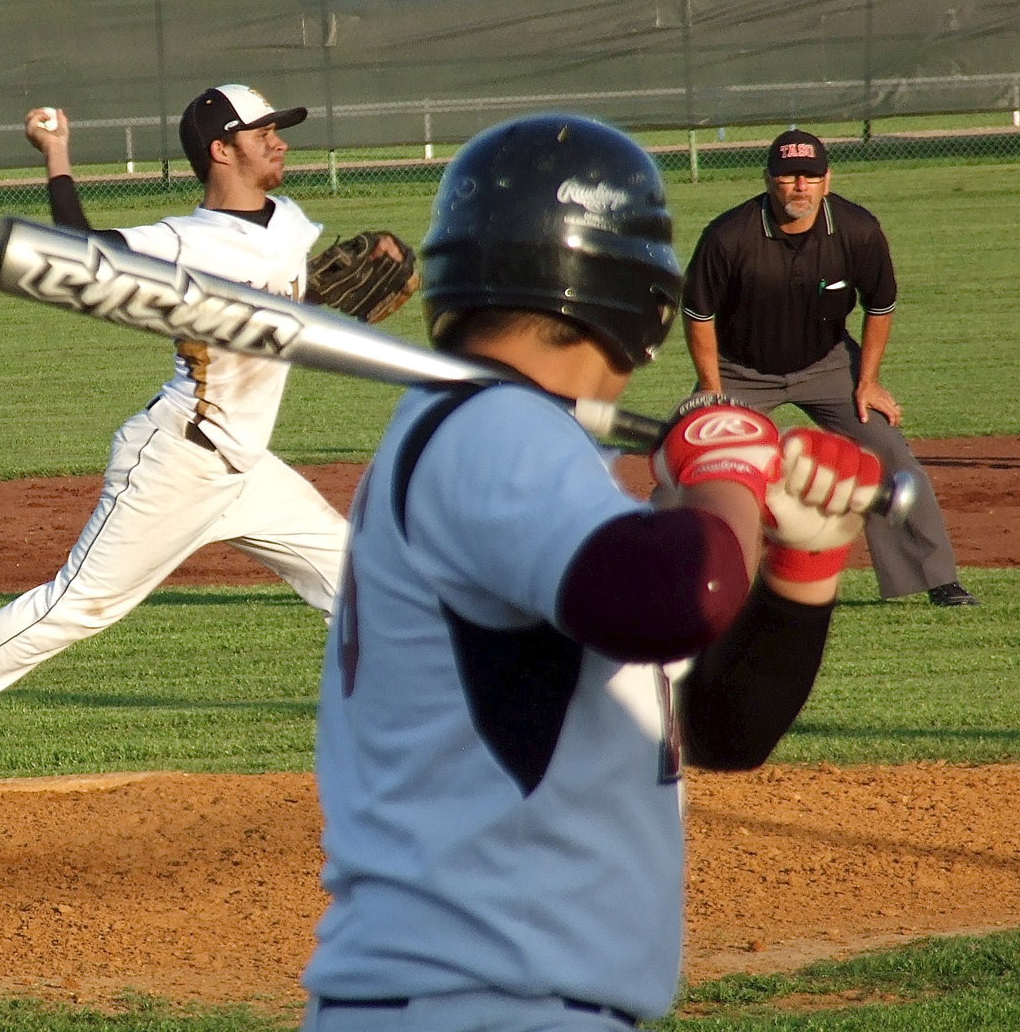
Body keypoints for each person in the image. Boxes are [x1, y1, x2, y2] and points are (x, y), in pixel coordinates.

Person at [300, 113, 886, 1030]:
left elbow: (725, 729)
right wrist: (729, 477)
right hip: (483, 1000)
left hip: (489, 999)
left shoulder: (515, 450)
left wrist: (803, 565)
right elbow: (676, 596)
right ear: (645, 303)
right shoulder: (490, 430)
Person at [0, 84, 356, 785]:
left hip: (247, 467)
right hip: (180, 460)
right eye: (264, 130)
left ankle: (451, 725)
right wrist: (58, 154)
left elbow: (276, 312)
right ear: (222, 149)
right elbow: (77, 252)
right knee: (77, 606)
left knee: (362, 584)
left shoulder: (291, 222)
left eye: (280, 127)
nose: (279, 139)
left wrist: (327, 298)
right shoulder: (186, 240)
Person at [681, 129, 977, 607]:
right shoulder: (728, 236)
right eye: (788, 176)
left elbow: (880, 306)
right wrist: (712, 391)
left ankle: (938, 580)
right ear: (768, 180)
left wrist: (869, 381)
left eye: (810, 176)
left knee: (886, 450)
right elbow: (699, 315)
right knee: (700, 460)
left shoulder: (857, 230)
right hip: (739, 370)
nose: (800, 186)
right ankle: (688, 578)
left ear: (827, 179)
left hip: (828, 363)